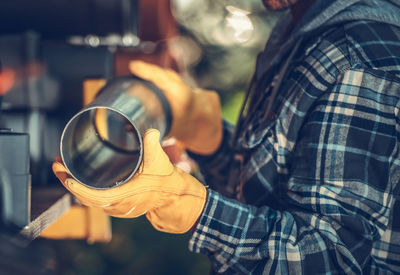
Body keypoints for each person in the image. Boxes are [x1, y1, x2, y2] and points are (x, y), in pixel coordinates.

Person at [53, 0, 400, 273]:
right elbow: (274, 198)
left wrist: (193, 209)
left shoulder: (359, 59)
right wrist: (214, 145)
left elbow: (332, 262)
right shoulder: (304, 28)